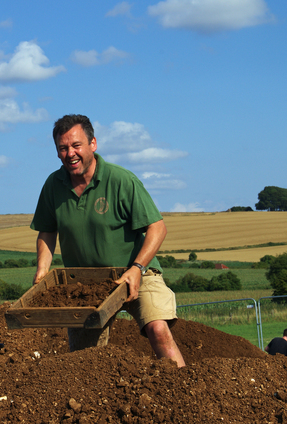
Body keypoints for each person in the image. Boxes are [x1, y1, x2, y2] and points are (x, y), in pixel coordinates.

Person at [30, 114, 186, 368]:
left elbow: (157, 227)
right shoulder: (53, 185)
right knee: (85, 359)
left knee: (158, 329)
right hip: (84, 284)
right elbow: (47, 231)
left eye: (76, 145)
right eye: (63, 148)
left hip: (135, 272)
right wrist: (42, 271)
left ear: (93, 144)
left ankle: (183, 388)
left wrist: (137, 269)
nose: (70, 153)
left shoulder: (121, 180)